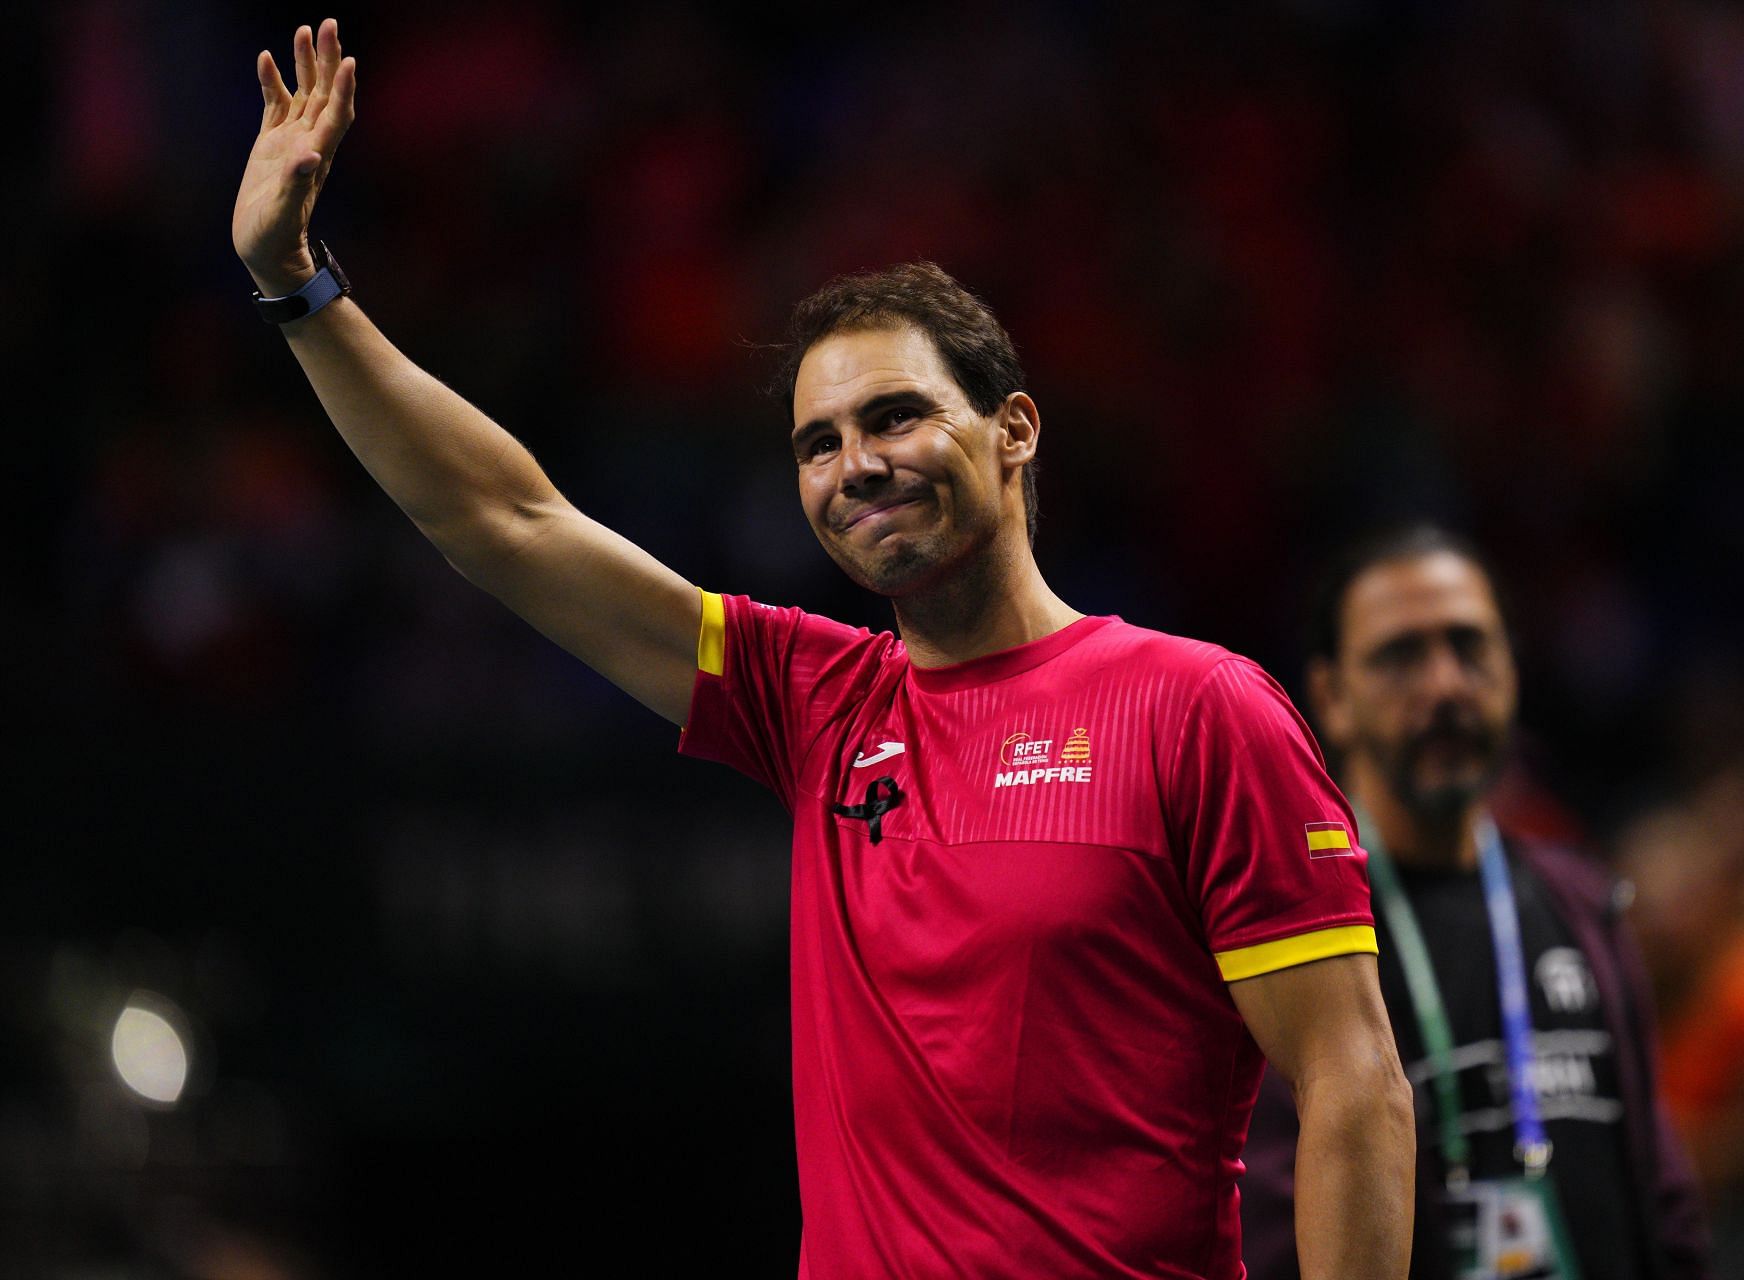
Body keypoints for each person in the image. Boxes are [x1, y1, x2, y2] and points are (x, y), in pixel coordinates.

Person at [231, 20, 1413, 1278]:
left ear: (1013, 429)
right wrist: (298, 288)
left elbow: (1355, 1086)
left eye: (897, 415)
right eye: (817, 441)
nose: (857, 465)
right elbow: (507, 521)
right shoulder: (815, 702)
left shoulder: (1198, 709)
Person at [1238, 525, 1711, 1280]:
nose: (1445, 685)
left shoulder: (1583, 905)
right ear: (1331, 696)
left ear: (1513, 670)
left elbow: (1663, 1192)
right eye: (1400, 655)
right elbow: (1267, 1218)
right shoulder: (1298, 933)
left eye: (1470, 647)